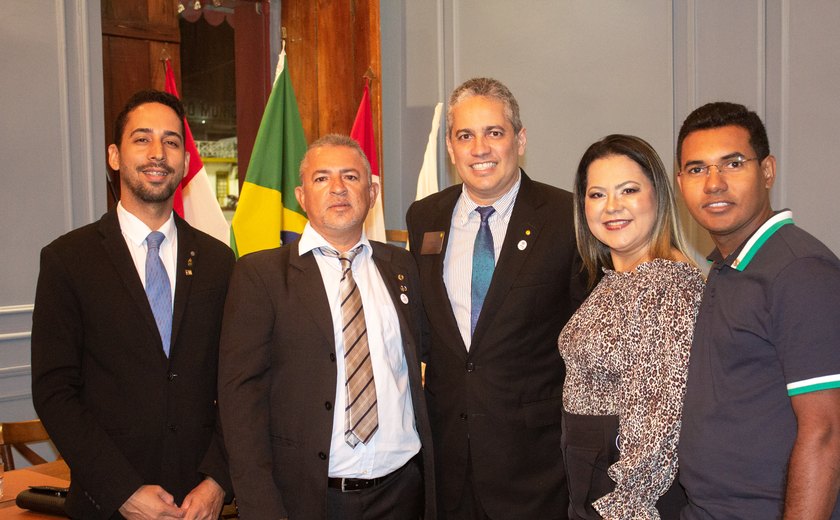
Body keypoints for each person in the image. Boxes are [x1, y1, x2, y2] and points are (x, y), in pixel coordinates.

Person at [31, 90, 234, 519]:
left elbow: (236, 385)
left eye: (172, 141)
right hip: (107, 504)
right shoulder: (68, 260)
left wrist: (217, 480)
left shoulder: (219, 261)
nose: (158, 153)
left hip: (201, 505)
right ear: (114, 155)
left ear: (183, 160)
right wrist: (121, 491)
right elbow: (54, 392)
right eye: (142, 139)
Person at [218, 134, 435, 520]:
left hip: (403, 493)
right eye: (322, 179)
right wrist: (258, 504)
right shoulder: (261, 275)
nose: (337, 188)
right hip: (310, 499)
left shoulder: (402, 268)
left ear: (371, 192)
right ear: (301, 197)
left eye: (350, 177)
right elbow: (240, 401)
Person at [406, 77, 585, 519]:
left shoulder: (568, 218)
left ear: (519, 140)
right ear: (450, 147)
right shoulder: (424, 217)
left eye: (494, 133)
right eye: (465, 135)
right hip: (448, 464)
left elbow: (586, 342)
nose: (479, 148)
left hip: (535, 469)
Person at [676, 102, 840, 519]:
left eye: (732, 164)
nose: (713, 184)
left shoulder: (799, 271)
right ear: (680, 182)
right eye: (697, 169)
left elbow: (826, 432)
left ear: (767, 171)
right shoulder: (727, 265)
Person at [557, 134, 703, 519]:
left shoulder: (667, 284)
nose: (612, 207)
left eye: (628, 190)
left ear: (658, 195)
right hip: (596, 476)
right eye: (597, 194)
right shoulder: (616, 279)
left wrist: (625, 504)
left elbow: (662, 419)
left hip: (629, 492)